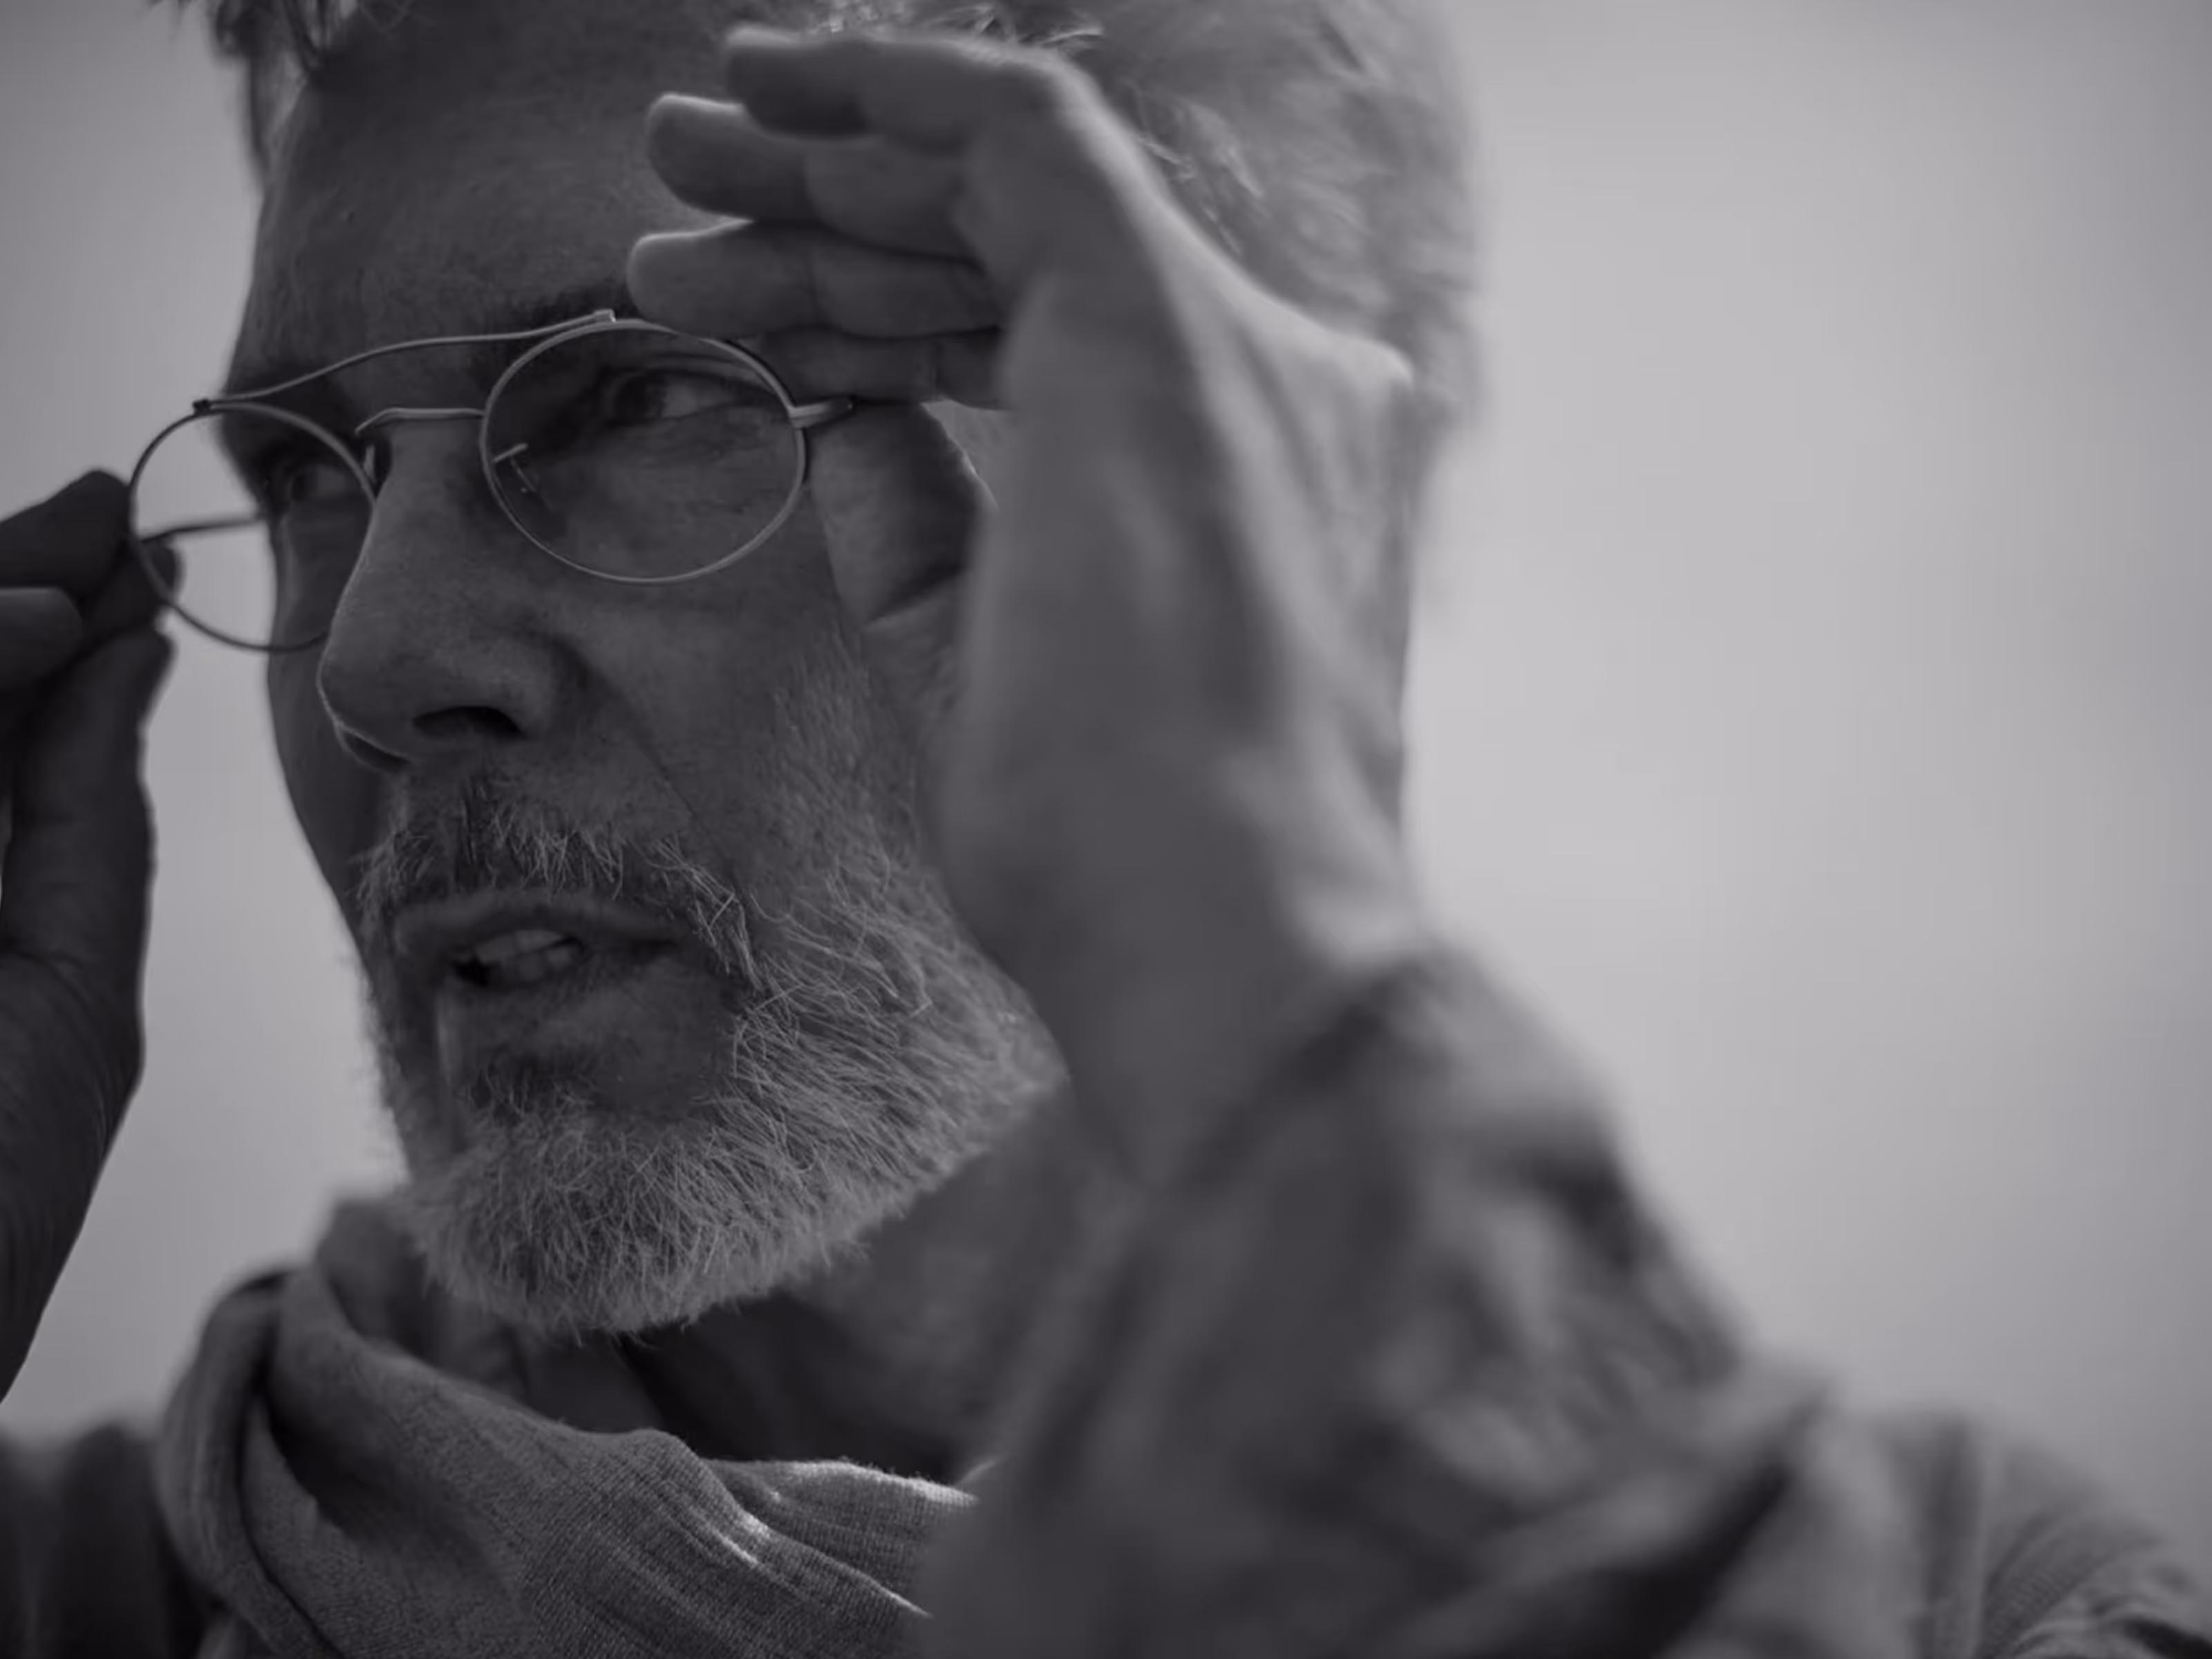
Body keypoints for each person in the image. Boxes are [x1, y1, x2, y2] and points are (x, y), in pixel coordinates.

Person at [0, 0, 2202, 1653]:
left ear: (1295, 525)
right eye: (306, 469)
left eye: (644, 394)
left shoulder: (1971, 1608)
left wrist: (1279, 984)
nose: (377, 659)